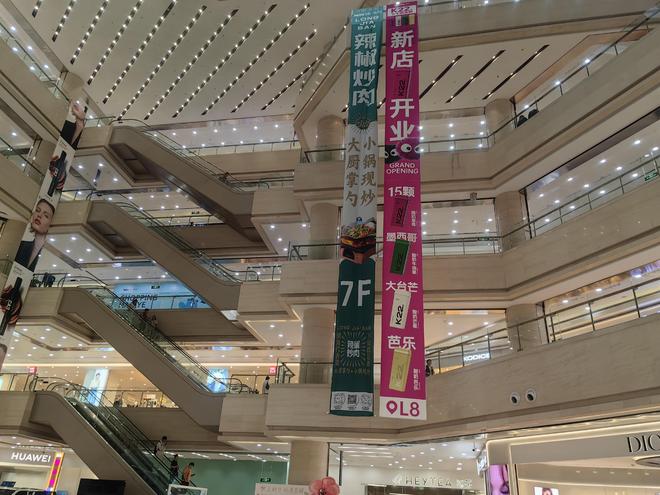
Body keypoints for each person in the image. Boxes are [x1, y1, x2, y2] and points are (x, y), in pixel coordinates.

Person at [14, 199, 55, 271]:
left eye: (46, 216)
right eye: (37, 210)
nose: (39, 215)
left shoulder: (49, 254)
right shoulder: (21, 245)